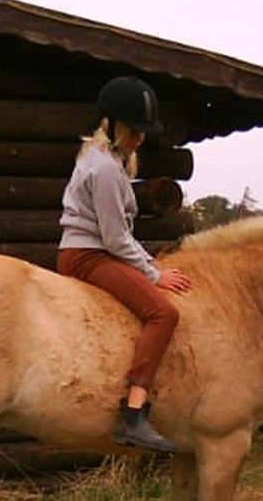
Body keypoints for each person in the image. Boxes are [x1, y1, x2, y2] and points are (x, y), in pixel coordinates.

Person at [57, 76, 192, 453]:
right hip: (88, 256)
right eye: (134, 130)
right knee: (163, 313)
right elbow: (115, 238)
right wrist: (154, 274)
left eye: (142, 132)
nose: (139, 139)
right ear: (111, 125)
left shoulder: (107, 161)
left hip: (94, 250)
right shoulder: (103, 169)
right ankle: (133, 413)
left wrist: (149, 262)